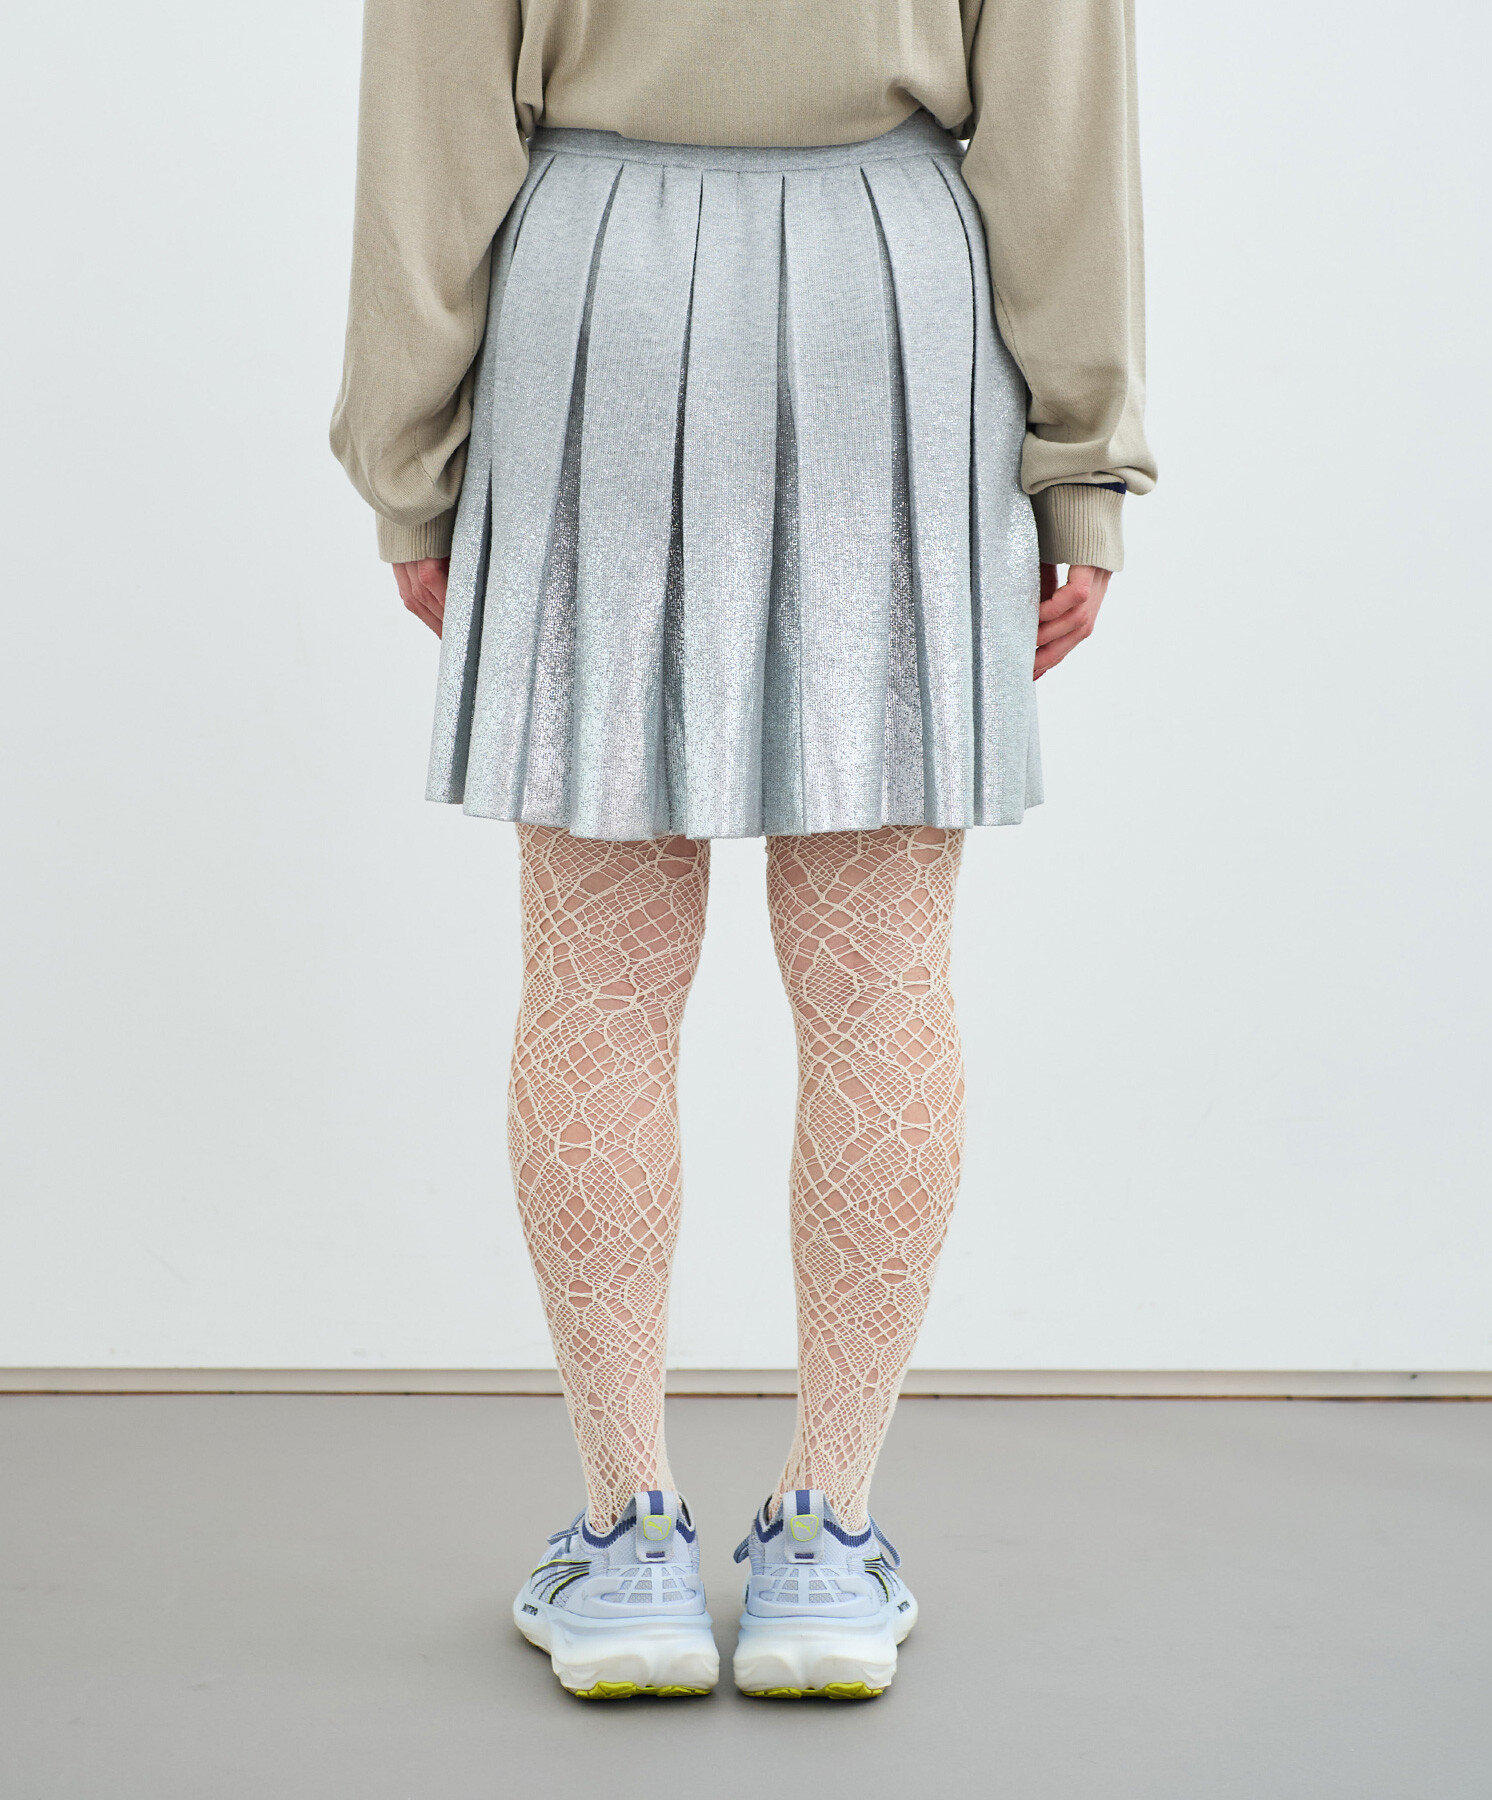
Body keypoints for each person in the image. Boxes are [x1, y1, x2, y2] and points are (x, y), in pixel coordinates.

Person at [331, 0, 1155, 1702]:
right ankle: (828, 1545)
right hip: (892, 321)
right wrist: (1084, 467)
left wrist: (410, 464)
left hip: (595, 318)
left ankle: (625, 1542)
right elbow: (1060, 108)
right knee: (883, 984)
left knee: (597, 985)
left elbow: (433, 111)